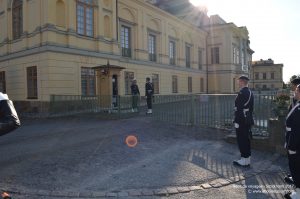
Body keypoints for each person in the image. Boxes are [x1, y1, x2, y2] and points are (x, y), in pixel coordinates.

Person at [233, 75, 254, 167]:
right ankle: (247, 159)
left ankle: (244, 160)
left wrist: (237, 121)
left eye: (239, 81)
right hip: (247, 118)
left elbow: (239, 108)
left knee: (242, 139)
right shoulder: (249, 91)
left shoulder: (242, 92)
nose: (238, 83)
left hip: (241, 119)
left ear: (242, 82)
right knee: (246, 139)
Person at [284, 84, 300, 199]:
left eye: (296, 91)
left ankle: (298, 193)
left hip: (295, 143)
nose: (294, 92)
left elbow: (297, 130)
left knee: (295, 167)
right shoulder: (298, 104)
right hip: (294, 139)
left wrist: (292, 147)